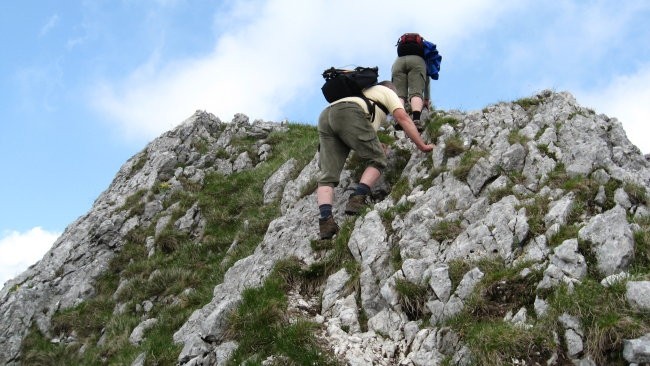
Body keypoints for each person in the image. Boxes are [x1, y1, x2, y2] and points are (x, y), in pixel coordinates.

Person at [317, 80, 435, 239]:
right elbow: (403, 118)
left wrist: (377, 144)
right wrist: (422, 145)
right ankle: (357, 198)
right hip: (348, 113)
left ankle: (326, 222)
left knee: (327, 176)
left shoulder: (362, 94)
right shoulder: (387, 92)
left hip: (325, 116)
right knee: (378, 159)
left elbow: (356, 133)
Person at [391, 33, 428, 131]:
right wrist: (427, 99)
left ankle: (399, 120)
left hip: (398, 63)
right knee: (416, 92)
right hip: (417, 62)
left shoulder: (400, 55)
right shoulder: (422, 57)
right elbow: (427, 79)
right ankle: (416, 120)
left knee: (399, 94)